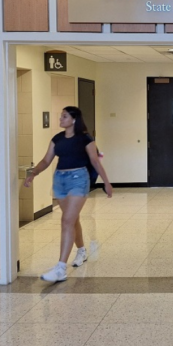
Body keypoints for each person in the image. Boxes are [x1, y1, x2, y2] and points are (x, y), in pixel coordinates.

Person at [24, 106, 113, 282]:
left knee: (66, 221)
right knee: (73, 220)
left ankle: (60, 268)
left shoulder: (85, 138)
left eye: (64, 116)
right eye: (61, 116)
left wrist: (107, 182)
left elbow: (95, 161)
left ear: (73, 119)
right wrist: (33, 174)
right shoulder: (57, 139)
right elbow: (46, 160)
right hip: (60, 180)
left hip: (79, 179)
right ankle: (81, 250)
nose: (60, 120)